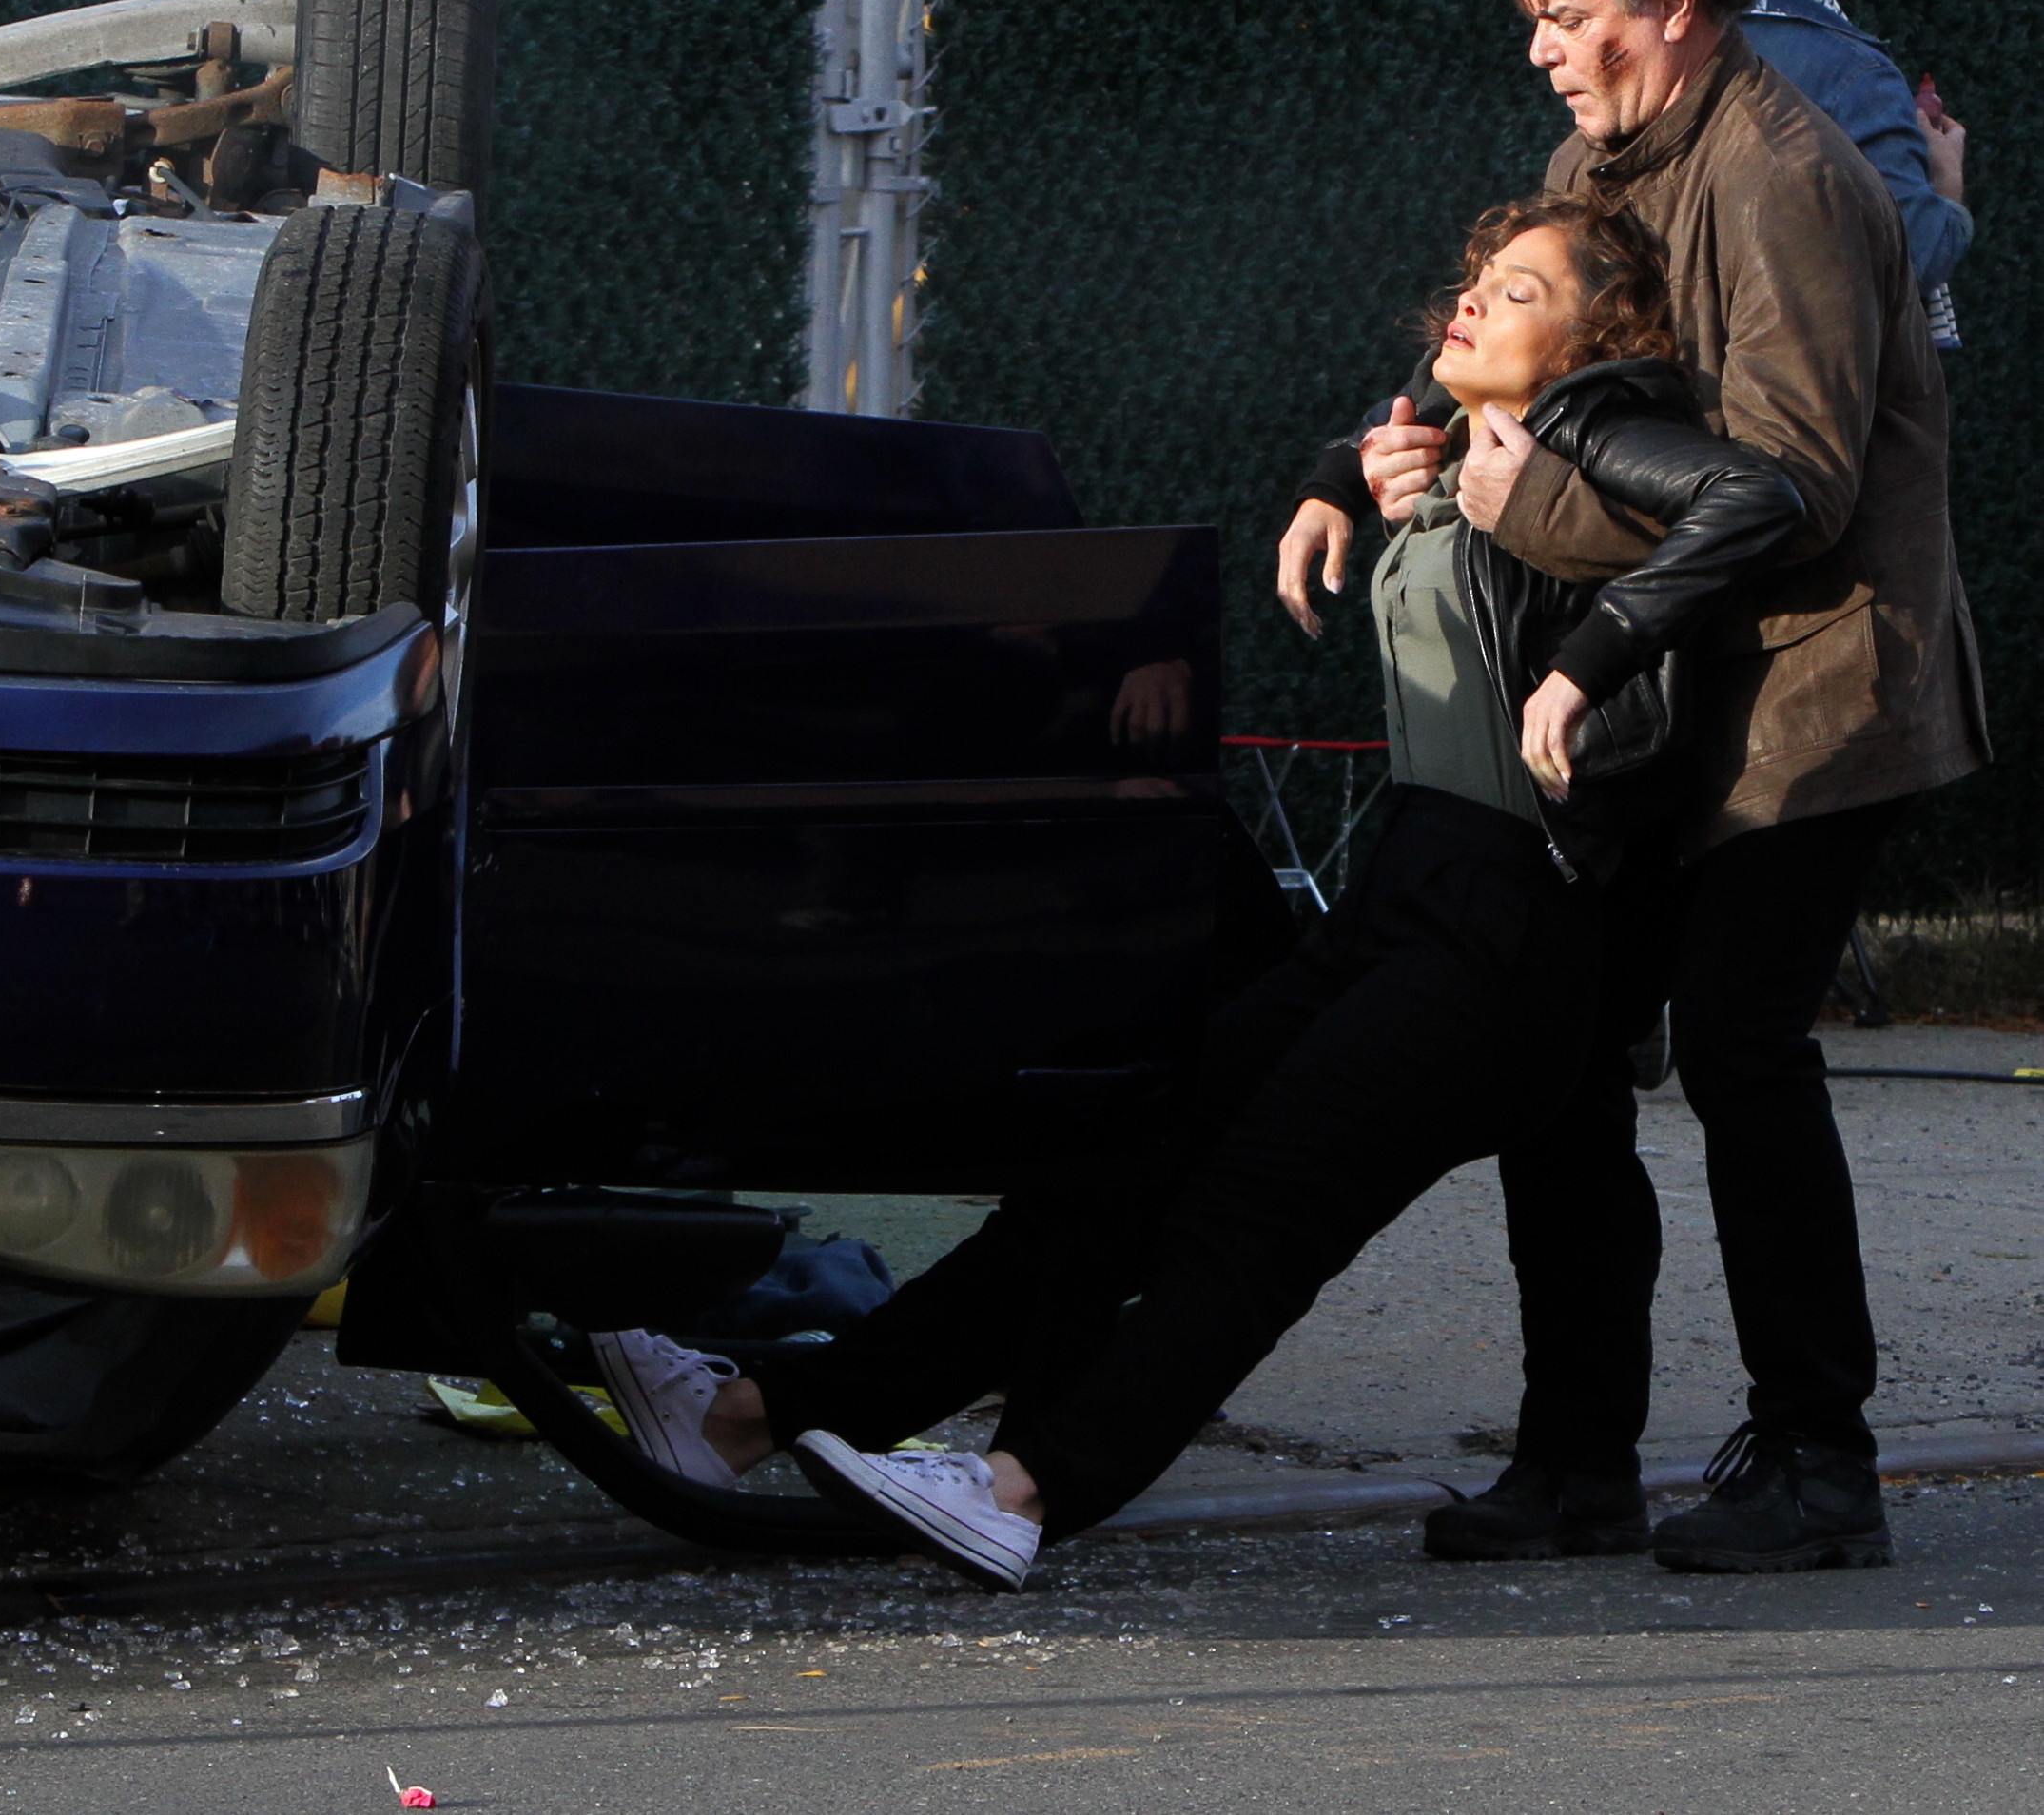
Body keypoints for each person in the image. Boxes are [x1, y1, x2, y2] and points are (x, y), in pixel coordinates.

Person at [584, 193, 1803, 1593]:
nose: (1472, 299)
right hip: (1407, 886)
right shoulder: (1476, 446)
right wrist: (1341, 474)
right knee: (1117, 1167)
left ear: (1594, 343)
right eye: (1476, 276)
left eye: (1519, 292)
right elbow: (1411, 414)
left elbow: (1756, 499)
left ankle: (1026, 1489)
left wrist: (1592, 659)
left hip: (1510, 918)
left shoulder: (1592, 428)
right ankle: (746, 1419)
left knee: (1260, 1209)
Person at [1282, 0, 1986, 1575]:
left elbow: (1794, 489)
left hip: (1820, 690)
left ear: (1672, 0)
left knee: (1741, 1046)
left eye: (1567, 11)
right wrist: (1360, 461)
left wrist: (1542, 545)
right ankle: (1577, 1460)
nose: (1540, 45)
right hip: (1679, 683)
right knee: (1569, 1050)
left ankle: (1819, 1461)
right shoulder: (1603, 150)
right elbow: (1526, 334)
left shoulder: (1782, 175)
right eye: (1533, 13)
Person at [1691, 0, 1970, 350]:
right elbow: (1910, 257)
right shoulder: (1854, 73)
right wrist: (1947, 183)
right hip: (1813, 386)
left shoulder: (1665, 40)